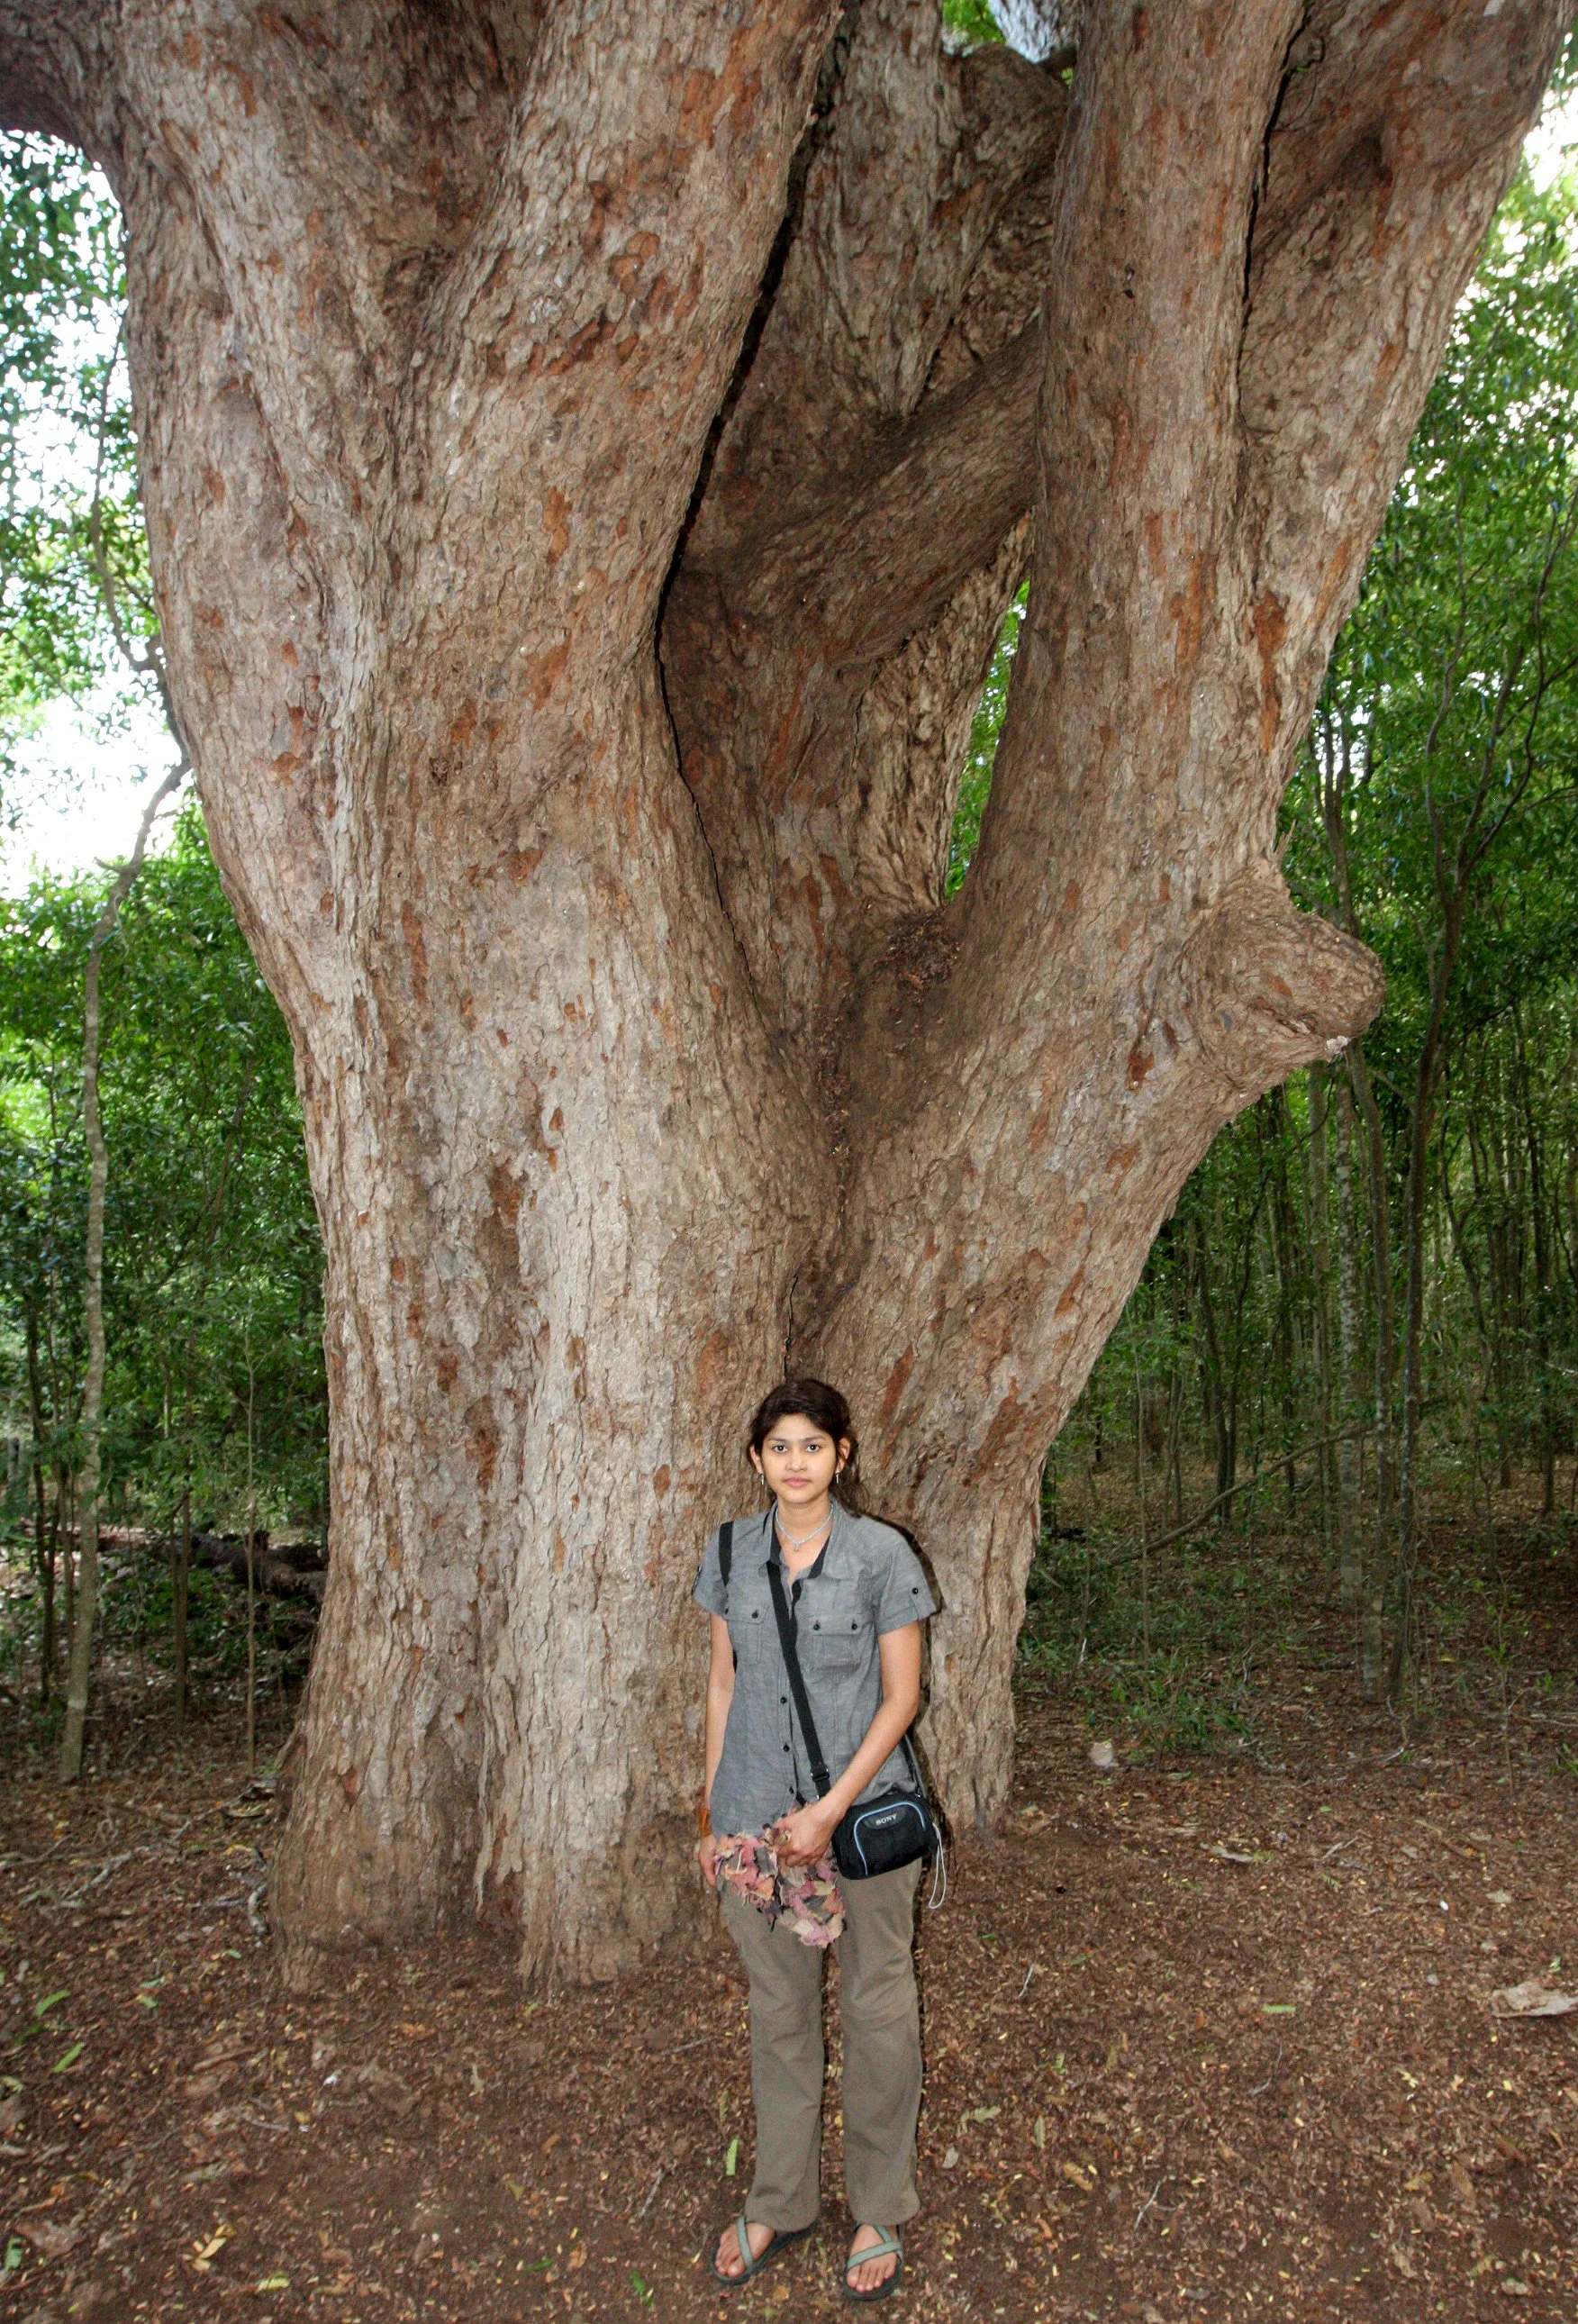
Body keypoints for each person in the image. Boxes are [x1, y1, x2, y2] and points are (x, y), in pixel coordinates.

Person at [694, 1377, 938, 2302]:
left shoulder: (883, 1556)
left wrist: (829, 1810)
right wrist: (716, 1816)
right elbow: (724, 1683)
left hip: (863, 1819)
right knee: (780, 2011)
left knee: (877, 2007)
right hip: (754, 1817)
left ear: (844, 1454)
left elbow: (902, 1697)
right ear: (757, 1459)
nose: (796, 1462)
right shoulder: (727, 1552)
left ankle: (879, 2202)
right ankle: (781, 2199)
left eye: (813, 1445)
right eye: (779, 1446)